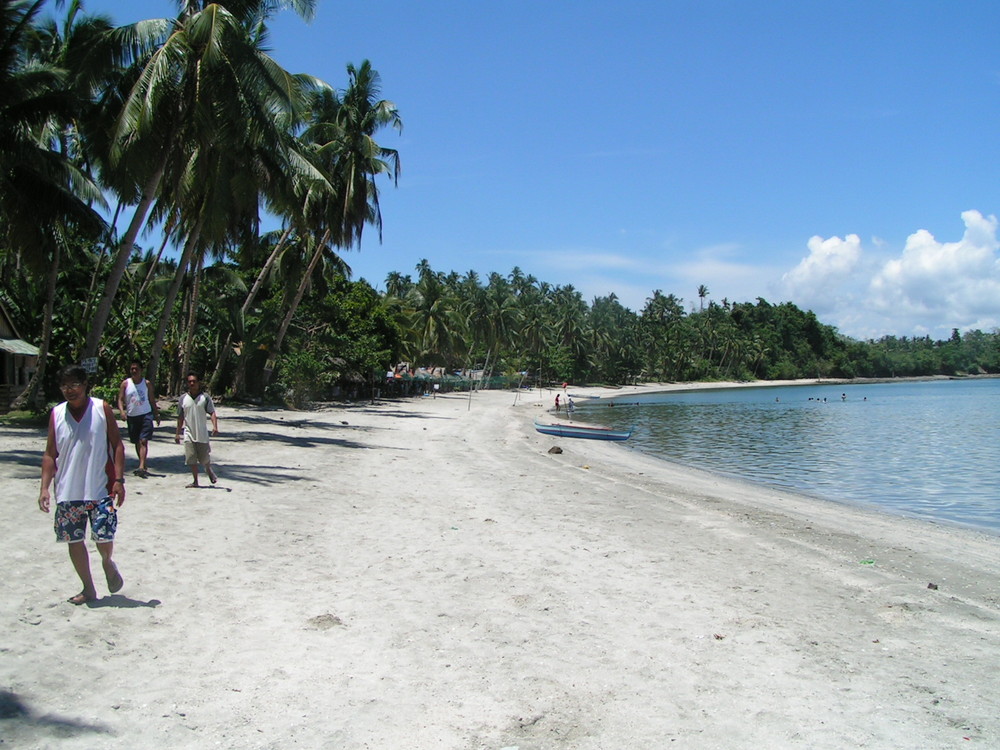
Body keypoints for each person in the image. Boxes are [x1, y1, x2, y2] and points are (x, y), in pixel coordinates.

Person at [39, 364, 126, 605]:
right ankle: (88, 588)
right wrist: (45, 488)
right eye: (65, 385)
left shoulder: (101, 408)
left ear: (85, 385)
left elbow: (117, 444)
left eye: (75, 384)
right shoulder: (56, 414)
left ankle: (107, 562)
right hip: (68, 490)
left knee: (103, 537)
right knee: (73, 540)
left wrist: (118, 479)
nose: (70, 390)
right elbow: (49, 454)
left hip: (100, 488)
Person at [175, 372, 219, 488]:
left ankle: (208, 470)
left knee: (204, 459)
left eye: (194, 381)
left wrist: (215, 426)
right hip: (188, 433)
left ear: (198, 383)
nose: (192, 383)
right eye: (190, 381)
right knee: (191, 459)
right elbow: (180, 417)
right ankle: (195, 481)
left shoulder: (205, 398)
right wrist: (177, 433)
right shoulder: (183, 399)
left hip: (202, 434)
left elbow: (212, 413)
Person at [117, 360, 160, 478]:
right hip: (132, 416)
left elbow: (152, 400)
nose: (134, 371)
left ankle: (141, 466)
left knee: (143, 440)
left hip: (146, 414)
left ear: (141, 370)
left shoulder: (146, 384)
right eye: (132, 369)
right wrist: (122, 411)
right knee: (136, 441)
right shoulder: (125, 384)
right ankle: (143, 462)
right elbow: (120, 399)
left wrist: (156, 414)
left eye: (136, 368)